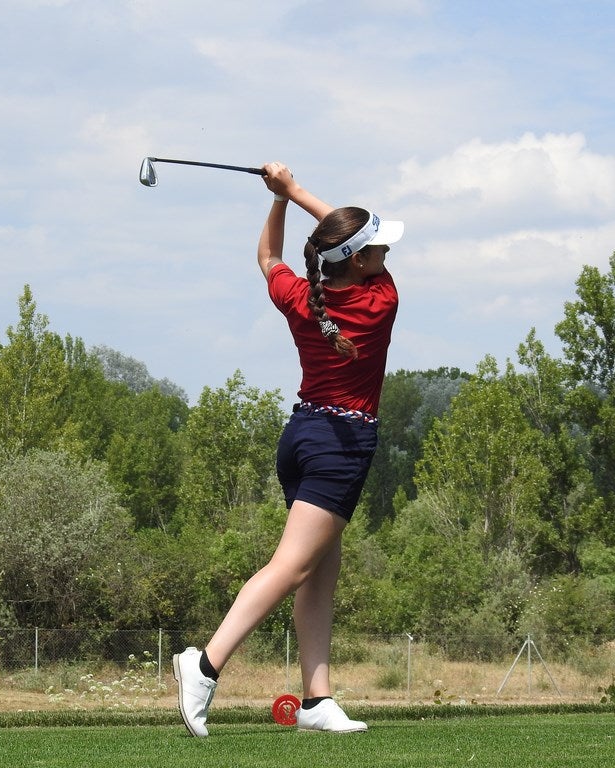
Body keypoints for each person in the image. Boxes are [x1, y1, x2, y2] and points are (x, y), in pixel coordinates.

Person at [172, 162, 403, 736]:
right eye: (377, 249)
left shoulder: (303, 296)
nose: (387, 257)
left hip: (300, 436)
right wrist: (293, 189)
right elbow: (332, 236)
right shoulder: (378, 301)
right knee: (292, 565)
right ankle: (202, 666)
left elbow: (267, 261)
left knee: (320, 570)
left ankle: (317, 700)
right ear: (356, 260)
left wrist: (275, 201)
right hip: (341, 444)